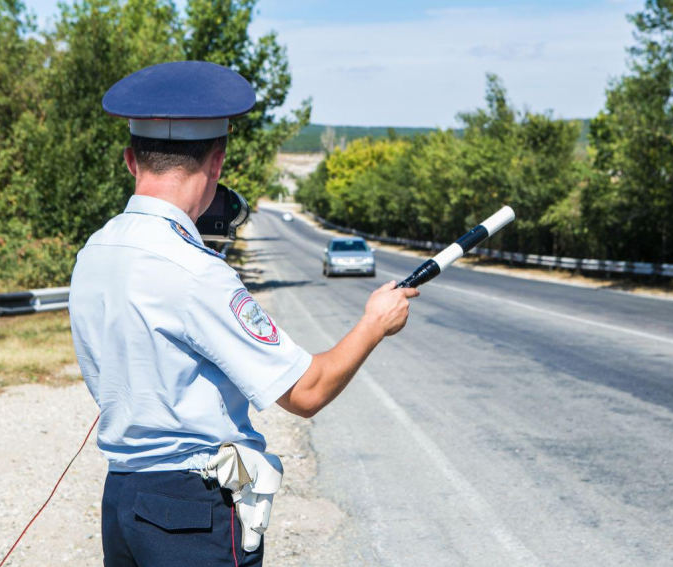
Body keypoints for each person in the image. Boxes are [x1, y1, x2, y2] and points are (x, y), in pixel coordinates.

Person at [68, 61, 419, 567]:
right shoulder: (196, 271)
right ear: (216, 161)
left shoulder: (95, 250)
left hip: (121, 499)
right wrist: (374, 323)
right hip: (187, 512)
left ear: (130, 160)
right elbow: (306, 391)